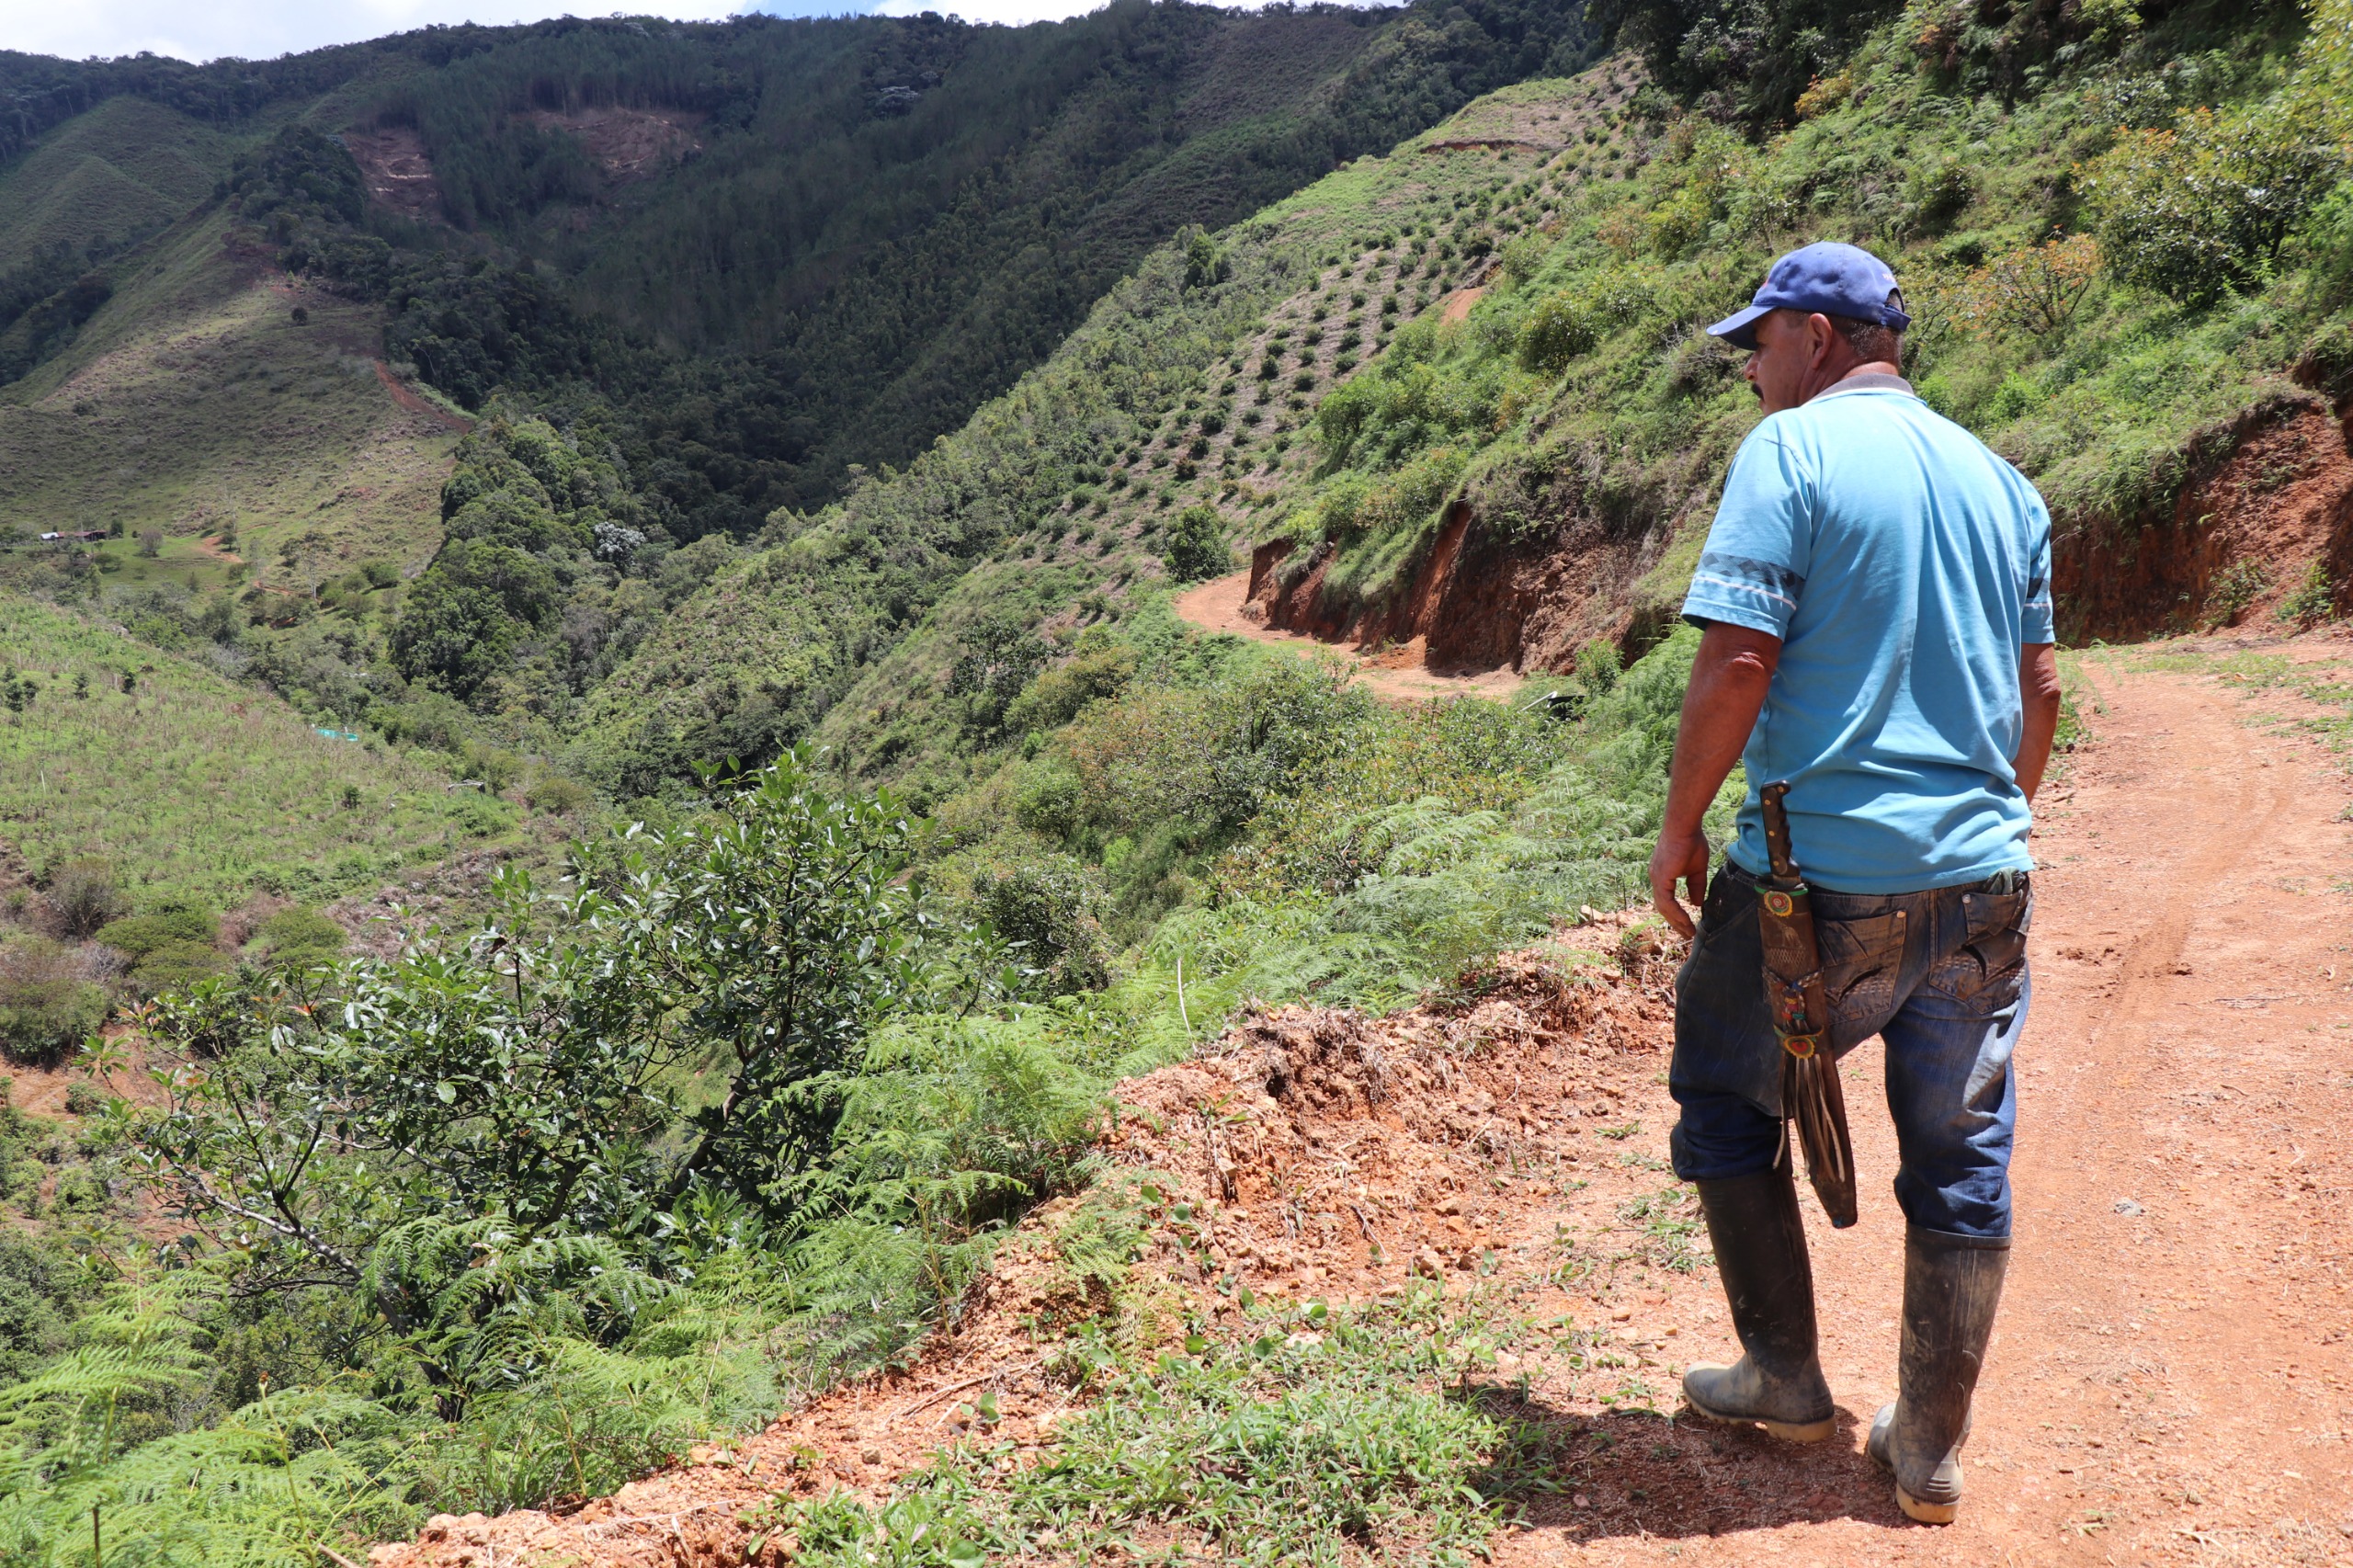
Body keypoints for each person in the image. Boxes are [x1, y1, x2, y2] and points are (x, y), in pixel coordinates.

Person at [1647, 241, 2063, 1525]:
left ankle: (1782, 1374)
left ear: (1818, 337)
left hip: (1809, 885)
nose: (1750, 374)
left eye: (1756, 345)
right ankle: (1928, 1449)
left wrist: (1678, 829)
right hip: (1985, 876)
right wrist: (1973, 832)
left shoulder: (1792, 453)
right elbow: (2040, 693)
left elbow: (1735, 664)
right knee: (1960, 1151)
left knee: (1724, 1095)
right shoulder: (2005, 484)